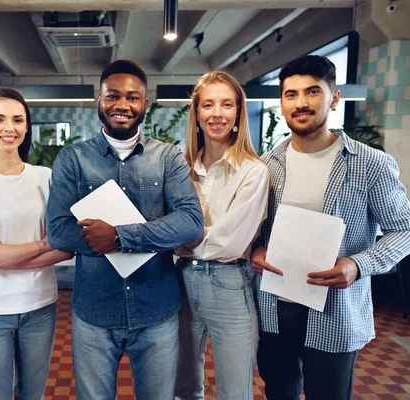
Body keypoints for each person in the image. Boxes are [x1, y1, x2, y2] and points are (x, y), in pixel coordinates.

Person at [251, 55, 410, 400]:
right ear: (281, 103)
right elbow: (252, 232)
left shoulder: (371, 164)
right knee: (279, 391)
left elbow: (404, 230)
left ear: (334, 98)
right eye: (290, 94)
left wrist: (357, 265)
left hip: (336, 309)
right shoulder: (265, 166)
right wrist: (254, 250)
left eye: (312, 92)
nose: (301, 103)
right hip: (274, 306)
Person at [46, 59, 204, 400]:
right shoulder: (73, 159)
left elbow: (191, 220)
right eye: (113, 96)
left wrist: (119, 237)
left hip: (156, 310)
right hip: (94, 311)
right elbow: (58, 230)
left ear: (145, 104)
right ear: (98, 101)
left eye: (133, 97)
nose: (122, 105)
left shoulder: (168, 157)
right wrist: (149, 235)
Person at [0, 87, 73, 400]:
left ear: (26, 126)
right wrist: (41, 245)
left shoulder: (44, 177)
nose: (10, 128)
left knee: (32, 395)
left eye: (18, 120)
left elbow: (66, 246)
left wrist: (2, 254)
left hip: (41, 305)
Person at [174, 71, 268, 400]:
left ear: (238, 112)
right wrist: (173, 233)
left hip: (229, 285)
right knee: (182, 387)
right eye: (208, 105)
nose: (217, 114)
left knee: (234, 392)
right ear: (196, 114)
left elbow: (230, 241)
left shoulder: (254, 171)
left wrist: (172, 236)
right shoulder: (180, 167)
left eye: (227, 105)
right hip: (180, 283)